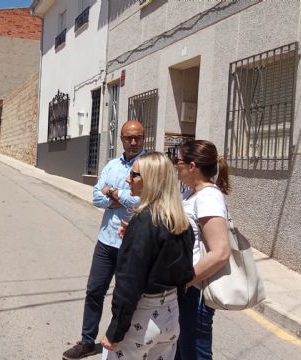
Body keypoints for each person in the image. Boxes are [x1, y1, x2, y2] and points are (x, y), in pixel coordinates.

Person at [63, 120, 146, 360]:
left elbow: (144, 201)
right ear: (121, 139)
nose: (133, 142)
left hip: (132, 244)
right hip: (106, 240)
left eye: (138, 137)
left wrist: (114, 192)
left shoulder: (148, 165)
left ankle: (119, 342)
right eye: (128, 138)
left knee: (124, 297)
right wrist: (119, 198)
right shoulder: (111, 165)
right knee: (94, 291)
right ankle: (87, 341)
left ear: (143, 138)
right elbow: (96, 198)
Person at [100, 152, 195, 360]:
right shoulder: (180, 221)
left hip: (143, 319)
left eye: (134, 175)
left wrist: (116, 330)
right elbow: (184, 272)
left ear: (150, 180)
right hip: (170, 316)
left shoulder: (144, 221)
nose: (128, 179)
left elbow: (129, 284)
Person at [173, 140, 231, 360]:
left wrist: (187, 281)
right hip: (187, 290)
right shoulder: (191, 194)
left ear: (192, 166)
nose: (175, 166)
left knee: (195, 354)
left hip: (195, 292)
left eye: (178, 161)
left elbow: (220, 252)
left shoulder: (208, 197)